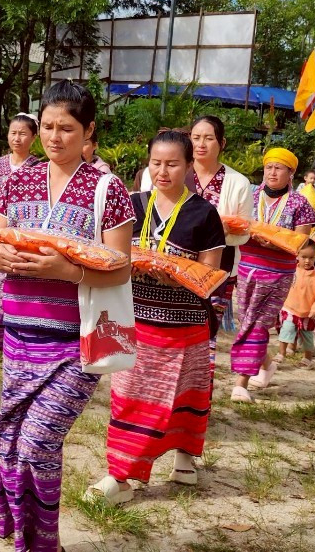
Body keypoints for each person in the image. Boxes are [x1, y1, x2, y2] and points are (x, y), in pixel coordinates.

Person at [0, 81, 134, 552]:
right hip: (19, 336)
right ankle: (29, 541)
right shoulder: (17, 180)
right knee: (9, 440)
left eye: (66, 128)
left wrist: (66, 270)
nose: (53, 137)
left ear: (88, 131)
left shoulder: (107, 190)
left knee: (37, 442)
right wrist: (0, 257)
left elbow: (120, 268)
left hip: (76, 340)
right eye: (47, 126)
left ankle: (43, 541)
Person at [88, 130, 225, 504]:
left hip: (184, 327)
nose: (162, 172)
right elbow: (105, 255)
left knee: (185, 396)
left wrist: (178, 273)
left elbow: (209, 275)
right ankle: (122, 475)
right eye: (156, 163)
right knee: (130, 397)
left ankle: (184, 455)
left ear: (188, 165)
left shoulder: (204, 213)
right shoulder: (130, 204)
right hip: (133, 322)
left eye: (172, 164)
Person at [230, 147, 315, 402]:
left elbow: (301, 242)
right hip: (247, 267)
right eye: (269, 167)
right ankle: (267, 364)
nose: (272, 172)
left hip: (278, 272)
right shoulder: (250, 194)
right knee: (247, 320)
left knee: (258, 324)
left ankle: (241, 383)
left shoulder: (300, 203)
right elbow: (237, 225)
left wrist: (277, 242)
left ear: (291, 173)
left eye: (279, 168)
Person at [185, 116, 255, 344]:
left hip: (220, 267)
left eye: (208, 138)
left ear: (221, 143)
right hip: (176, 262)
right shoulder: (176, 172)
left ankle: (203, 379)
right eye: (196, 138)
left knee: (206, 331)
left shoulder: (238, 182)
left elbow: (244, 232)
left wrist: (222, 232)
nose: (201, 144)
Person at [0, 113, 43, 359]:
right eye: (13, 133)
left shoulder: (38, 168)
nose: (17, 138)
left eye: (23, 133)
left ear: (33, 137)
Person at [276, 241, 315, 366]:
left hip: (307, 313)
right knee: (286, 330)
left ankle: (307, 358)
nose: (307, 261)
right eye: (304, 257)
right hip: (290, 309)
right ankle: (281, 354)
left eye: (311, 257)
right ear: (297, 255)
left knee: (307, 336)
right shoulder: (291, 271)